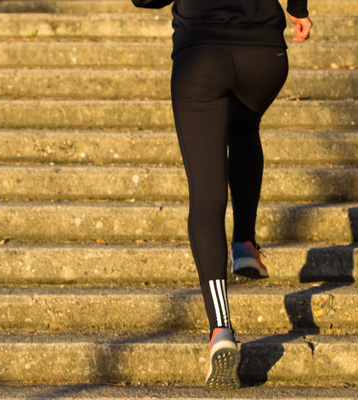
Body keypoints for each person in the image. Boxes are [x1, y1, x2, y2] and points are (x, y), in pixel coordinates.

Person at [132, 0, 313, 389]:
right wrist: (298, 8)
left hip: (201, 55)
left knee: (206, 199)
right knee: (245, 128)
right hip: (264, 56)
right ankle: (245, 242)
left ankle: (221, 331)